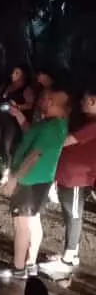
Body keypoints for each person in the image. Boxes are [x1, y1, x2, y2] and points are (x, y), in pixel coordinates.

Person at [0, 89, 71, 280]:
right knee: (32, 221)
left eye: (43, 98)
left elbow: (34, 156)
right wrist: (18, 115)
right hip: (40, 179)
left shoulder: (51, 127)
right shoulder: (55, 125)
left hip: (29, 180)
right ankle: (30, 263)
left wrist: (14, 179)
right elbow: (32, 135)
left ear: (51, 101)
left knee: (22, 225)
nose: (39, 101)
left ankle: (19, 269)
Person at [39, 89, 96, 278]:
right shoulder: (88, 122)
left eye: (85, 100)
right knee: (69, 214)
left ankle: (68, 260)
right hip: (67, 176)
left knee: (74, 216)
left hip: (76, 178)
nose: (81, 103)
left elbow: (65, 141)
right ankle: (72, 252)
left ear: (94, 101)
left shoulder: (93, 125)